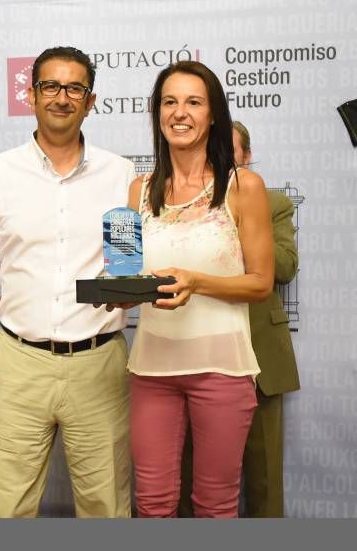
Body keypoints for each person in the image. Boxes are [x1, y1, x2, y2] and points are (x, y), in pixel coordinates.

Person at [0, 46, 134, 518]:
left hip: (99, 362)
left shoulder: (120, 173)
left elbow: (125, 268)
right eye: (51, 86)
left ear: (90, 99)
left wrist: (126, 287)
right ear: (32, 94)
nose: (62, 97)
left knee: (107, 509)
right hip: (17, 364)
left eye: (74, 87)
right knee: (11, 508)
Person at [124, 62, 274, 518]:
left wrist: (198, 281)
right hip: (151, 370)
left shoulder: (243, 186)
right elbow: (125, 281)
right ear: (157, 114)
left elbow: (261, 282)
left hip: (222, 371)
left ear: (213, 115)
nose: (180, 112)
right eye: (170, 102)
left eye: (194, 102)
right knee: (151, 504)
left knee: (215, 504)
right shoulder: (136, 190)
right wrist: (111, 291)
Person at [178, 121, 300, 518]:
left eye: (230, 152)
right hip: (198, 356)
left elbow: (284, 265)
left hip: (259, 356)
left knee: (264, 480)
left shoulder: (272, 202)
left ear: (247, 157)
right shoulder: (182, 202)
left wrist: (245, 229)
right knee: (191, 477)